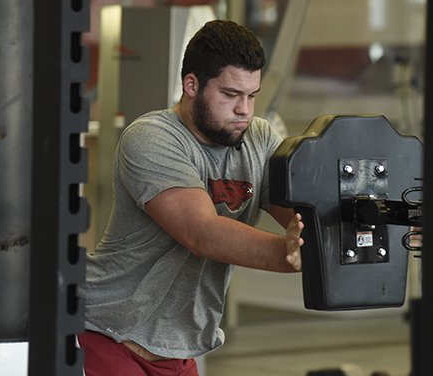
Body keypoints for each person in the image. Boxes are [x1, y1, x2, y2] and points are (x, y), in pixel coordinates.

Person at [78, 19, 304, 376]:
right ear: (192, 85)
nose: (244, 109)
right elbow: (201, 232)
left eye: (251, 96)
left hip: (179, 350)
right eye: (230, 95)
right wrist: (285, 252)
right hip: (109, 335)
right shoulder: (151, 137)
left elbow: (304, 214)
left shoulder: (257, 138)